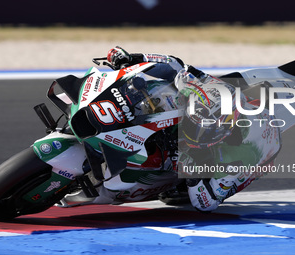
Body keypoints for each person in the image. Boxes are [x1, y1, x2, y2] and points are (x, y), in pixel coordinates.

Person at [105, 46, 282, 212]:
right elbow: (174, 65)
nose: (195, 135)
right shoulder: (201, 88)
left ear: (223, 133)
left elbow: (207, 204)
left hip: (258, 152)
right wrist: (133, 59)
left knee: (178, 192)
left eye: (205, 131)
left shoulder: (236, 159)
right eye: (193, 125)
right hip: (230, 108)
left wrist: (193, 177)